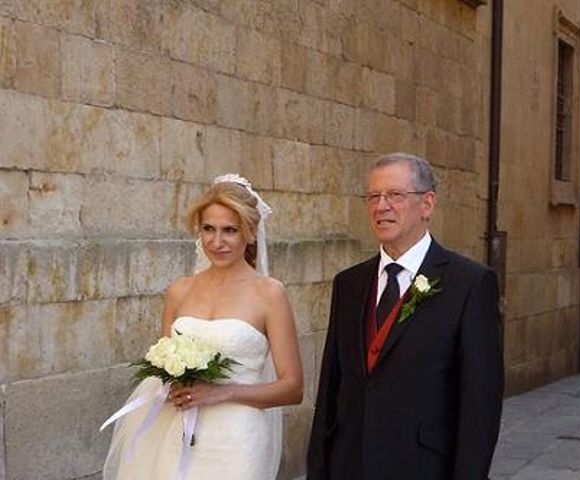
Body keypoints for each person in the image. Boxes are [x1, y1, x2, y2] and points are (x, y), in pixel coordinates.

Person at [307, 153, 503, 480]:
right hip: (349, 466)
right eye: (373, 196)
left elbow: (479, 406)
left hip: (422, 467)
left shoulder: (469, 284)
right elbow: (330, 390)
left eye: (395, 195)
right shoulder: (349, 284)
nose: (381, 206)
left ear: (427, 204)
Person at [103, 174, 303, 480]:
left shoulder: (270, 294)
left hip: (238, 440)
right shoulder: (179, 291)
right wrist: (171, 388)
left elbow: (292, 388)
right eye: (208, 229)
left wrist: (222, 392)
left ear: (250, 234)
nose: (216, 241)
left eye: (230, 230)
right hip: (179, 431)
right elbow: (165, 365)